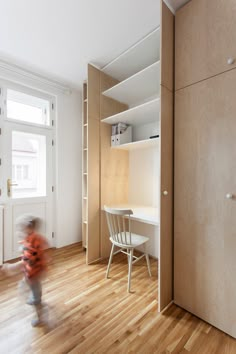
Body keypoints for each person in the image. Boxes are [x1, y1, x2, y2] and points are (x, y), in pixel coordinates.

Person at [1, 214, 49, 327]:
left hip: (34, 273)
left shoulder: (32, 242)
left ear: (29, 228)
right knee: (28, 285)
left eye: (20, 229)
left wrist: (11, 267)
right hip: (32, 272)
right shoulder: (34, 238)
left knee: (35, 293)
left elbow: (27, 261)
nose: (18, 232)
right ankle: (33, 297)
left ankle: (40, 317)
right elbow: (44, 244)